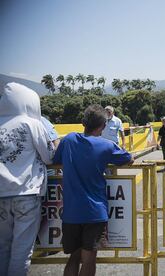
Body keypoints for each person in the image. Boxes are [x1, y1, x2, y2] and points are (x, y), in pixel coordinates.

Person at [53, 104, 133, 276]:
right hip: (94, 213)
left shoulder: (68, 140)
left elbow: (55, 158)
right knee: (89, 260)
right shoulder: (106, 145)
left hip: (71, 213)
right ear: (103, 126)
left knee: (73, 258)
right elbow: (128, 158)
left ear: (83, 123)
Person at [0, 83, 55, 276]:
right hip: (27, 193)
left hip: (1, 194)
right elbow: (49, 156)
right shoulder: (32, 124)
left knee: (2, 249)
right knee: (21, 252)